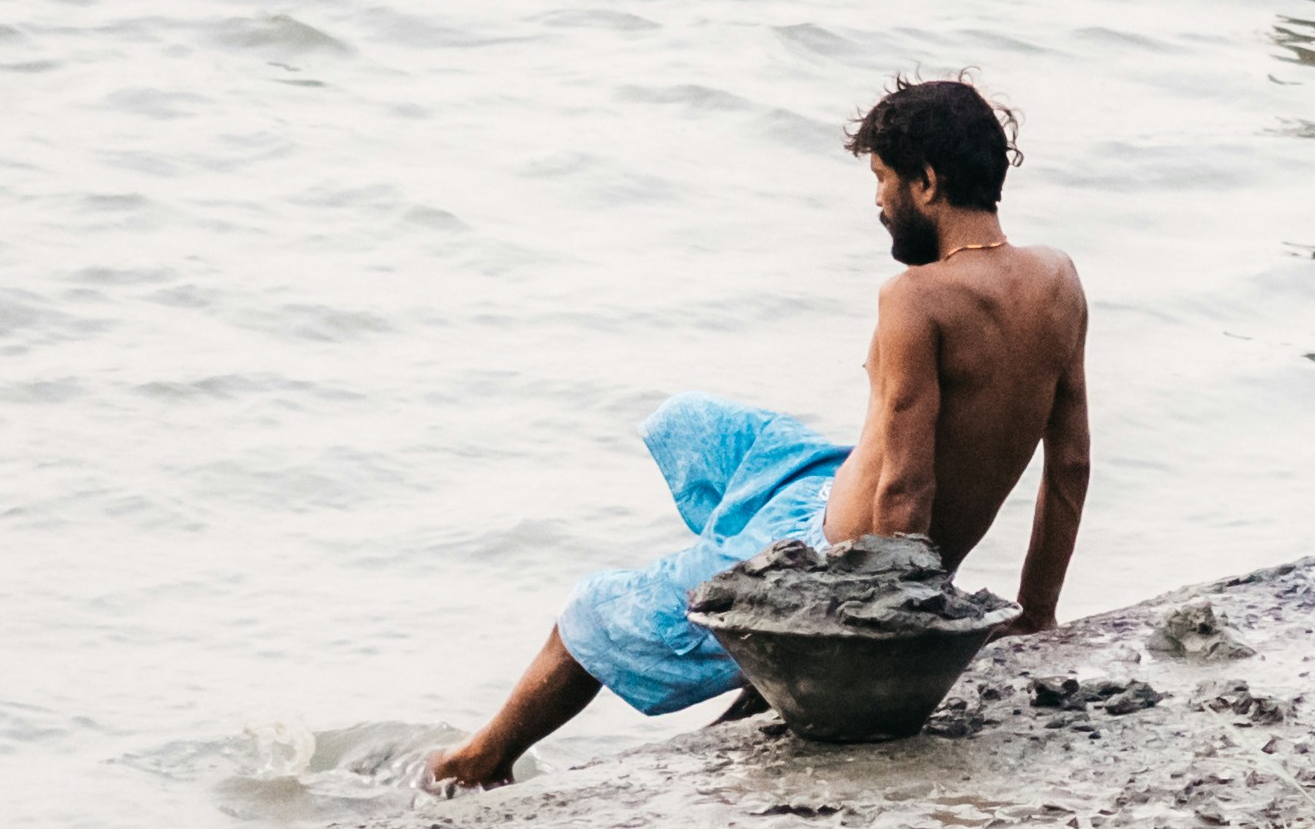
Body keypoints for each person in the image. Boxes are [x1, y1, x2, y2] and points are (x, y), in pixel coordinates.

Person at [425, 77, 1090, 789]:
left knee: (592, 611)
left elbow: (906, 487)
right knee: (692, 424)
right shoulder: (1056, 279)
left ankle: (475, 761)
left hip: (831, 557)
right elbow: (1071, 461)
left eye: (882, 180)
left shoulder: (916, 298)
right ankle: (742, 665)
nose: (876, 202)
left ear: (926, 182)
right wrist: (1038, 608)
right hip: (828, 482)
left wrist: (884, 642)